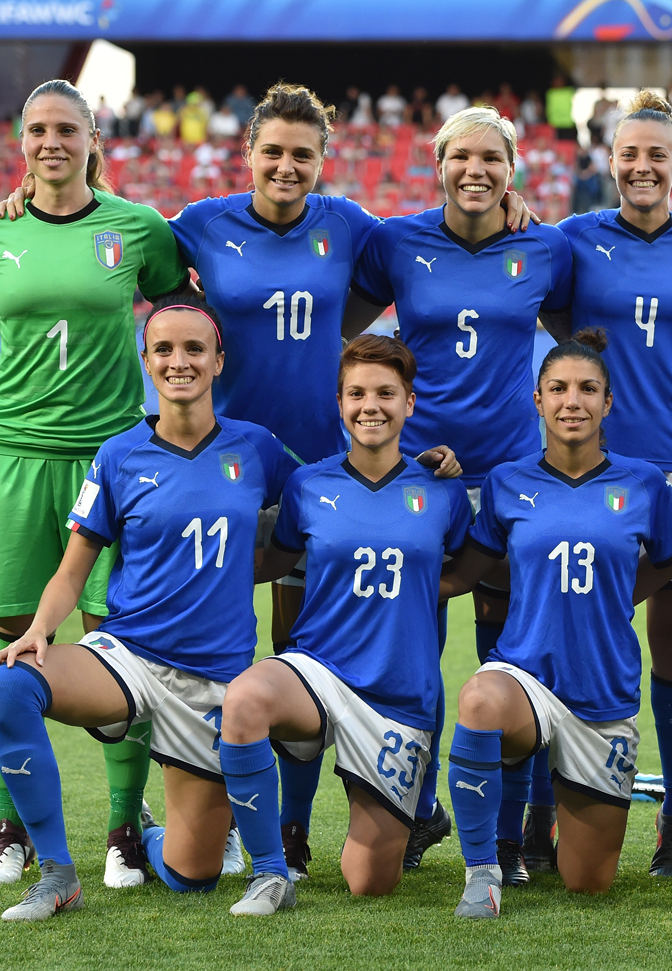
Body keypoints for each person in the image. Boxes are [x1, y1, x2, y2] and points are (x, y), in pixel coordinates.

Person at [0, 83, 524, 877]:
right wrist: (39, 193)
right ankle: (223, 807)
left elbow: (437, 245)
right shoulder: (201, 225)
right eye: (271, 151)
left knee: (334, 639)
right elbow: (116, 243)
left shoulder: (350, 226)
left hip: (319, 469)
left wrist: (516, 210)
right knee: (224, 640)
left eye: (301, 154)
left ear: (322, 162)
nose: (285, 166)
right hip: (224, 468)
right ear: (247, 155)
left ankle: (345, 817)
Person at [0, 80, 189, 891]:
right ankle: (15, 828)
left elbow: (187, 316)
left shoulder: (136, 227)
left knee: (120, 640)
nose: (50, 142)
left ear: (91, 136)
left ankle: (123, 829)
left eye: (65, 129)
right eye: (37, 130)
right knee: (13, 632)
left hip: (110, 460)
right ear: (21, 141)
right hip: (14, 457)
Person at [0, 303, 298, 922]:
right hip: (129, 657)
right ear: (147, 362)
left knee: (192, 877)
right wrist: (40, 631)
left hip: (213, 682)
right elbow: (73, 569)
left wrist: (412, 473)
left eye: (195, 349)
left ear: (219, 362)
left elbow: (323, 497)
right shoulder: (118, 455)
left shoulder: (257, 447)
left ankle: (150, 836)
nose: (180, 362)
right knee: (12, 685)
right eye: (164, 350)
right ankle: (56, 875)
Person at [350, 105, 573, 870]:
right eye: (461, 158)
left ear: (514, 173)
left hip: (512, 477)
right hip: (419, 478)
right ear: (436, 164)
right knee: (414, 648)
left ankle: (514, 832)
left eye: (492, 160)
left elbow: (579, 342)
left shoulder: (547, 247)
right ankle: (414, 809)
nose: (475, 171)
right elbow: (344, 334)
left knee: (510, 649)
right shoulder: (395, 241)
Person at [437, 331, 672, 918]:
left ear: (608, 403)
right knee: (480, 701)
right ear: (537, 400)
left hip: (603, 698)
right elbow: (460, 574)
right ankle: (483, 869)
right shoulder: (506, 482)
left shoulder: (643, 483)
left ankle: (560, 821)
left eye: (588, 389)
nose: (574, 401)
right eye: (559, 389)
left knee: (588, 883)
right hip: (527, 680)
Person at [219, 335, 472, 914]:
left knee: (369, 883)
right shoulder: (309, 485)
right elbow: (276, 564)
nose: (370, 406)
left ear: (410, 401)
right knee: (247, 699)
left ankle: (417, 815)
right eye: (356, 393)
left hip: (399, 695)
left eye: (386, 393)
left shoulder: (442, 491)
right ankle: (270, 870)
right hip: (320, 671)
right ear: (339, 403)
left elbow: (474, 563)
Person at [549, 91, 672, 882]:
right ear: (611, 160)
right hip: (592, 467)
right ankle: (546, 809)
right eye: (631, 154)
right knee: (571, 629)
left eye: (658, 155)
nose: (643, 166)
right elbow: (552, 318)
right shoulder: (574, 239)